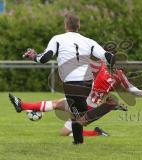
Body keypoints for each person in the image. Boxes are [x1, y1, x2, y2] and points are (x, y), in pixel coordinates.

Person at [20, 12, 117, 144]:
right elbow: (108, 57)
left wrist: (34, 56)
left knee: (80, 116)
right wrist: (112, 59)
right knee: (76, 113)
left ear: (66, 25)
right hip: (87, 82)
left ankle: (107, 107)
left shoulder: (58, 39)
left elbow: (45, 58)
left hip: (71, 83)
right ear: (79, 25)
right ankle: (78, 141)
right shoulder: (88, 41)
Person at [9, 60, 142, 136]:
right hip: (87, 103)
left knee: (64, 125)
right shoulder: (112, 72)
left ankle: (96, 132)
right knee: (59, 108)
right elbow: (133, 90)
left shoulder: (105, 69)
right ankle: (23, 105)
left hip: (87, 106)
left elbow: (132, 89)